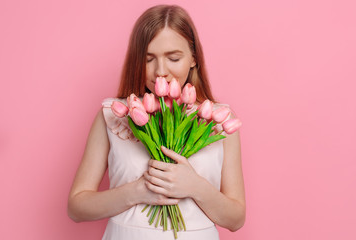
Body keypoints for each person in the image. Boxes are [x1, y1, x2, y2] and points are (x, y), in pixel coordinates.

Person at [68, 4, 246, 240]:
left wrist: (195, 186)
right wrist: (137, 191)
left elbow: (236, 219)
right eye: (148, 59)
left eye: (174, 58)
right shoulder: (114, 114)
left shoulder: (218, 119)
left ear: (194, 58)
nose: (160, 71)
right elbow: (76, 207)